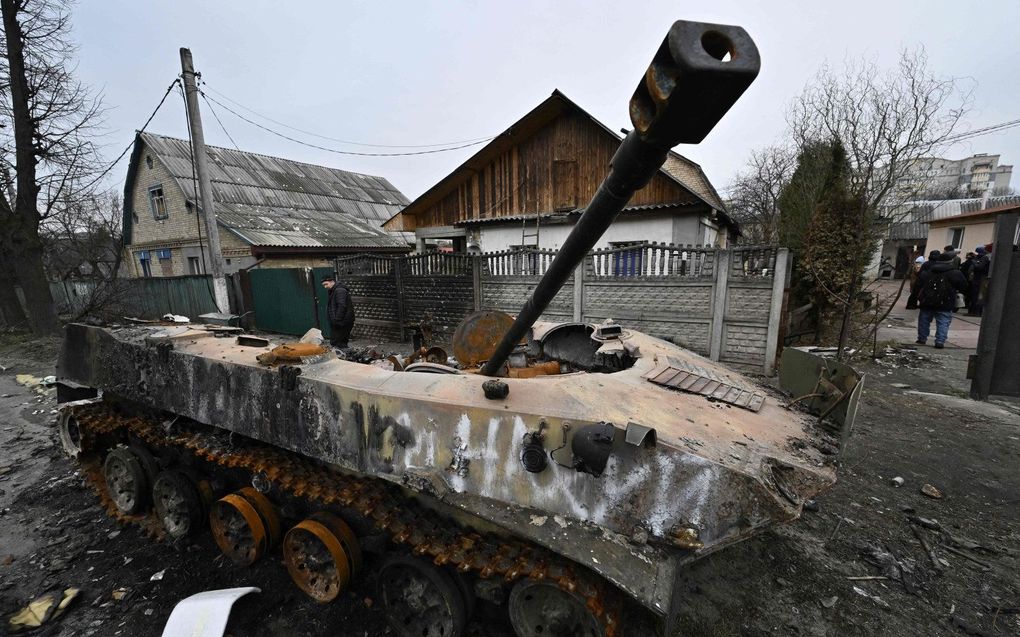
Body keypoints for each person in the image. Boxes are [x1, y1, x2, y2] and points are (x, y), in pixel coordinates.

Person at [914, 251, 968, 349]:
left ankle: (922, 338)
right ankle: (940, 341)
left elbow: (918, 284)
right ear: (951, 261)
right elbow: (964, 286)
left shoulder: (928, 272)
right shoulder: (955, 273)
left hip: (927, 301)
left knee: (924, 320)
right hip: (946, 302)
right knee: (943, 322)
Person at [322, 275, 355, 348]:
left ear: (332, 281)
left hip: (342, 322)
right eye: (323, 285)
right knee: (338, 342)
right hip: (339, 322)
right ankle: (343, 356)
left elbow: (342, 306)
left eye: (326, 284)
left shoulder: (339, 290)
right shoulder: (334, 290)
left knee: (338, 343)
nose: (325, 287)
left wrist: (337, 320)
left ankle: (342, 357)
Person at [967, 245, 990, 316]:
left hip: (979, 278)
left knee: (976, 295)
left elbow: (979, 267)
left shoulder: (984, 258)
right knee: (980, 295)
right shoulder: (988, 257)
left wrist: (974, 261)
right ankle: (977, 311)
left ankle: (974, 311)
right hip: (983, 278)